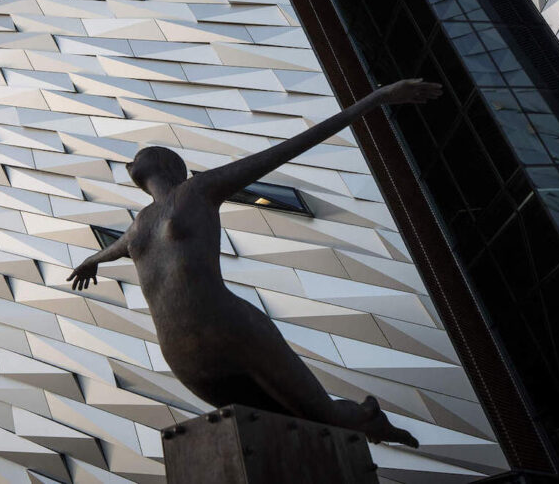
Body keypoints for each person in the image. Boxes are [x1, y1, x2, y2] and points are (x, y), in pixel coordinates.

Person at [67, 79, 442, 447]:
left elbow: (289, 148)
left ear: (165, 166)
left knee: (319, 416)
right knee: (273, 428)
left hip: (230, 328)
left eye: (137, 156)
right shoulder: (138, 227)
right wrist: (90, 261)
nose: (129, 161)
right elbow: (114, 248)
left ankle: (369, 420)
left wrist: (376, 98)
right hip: (182, 351)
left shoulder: (198, 190)